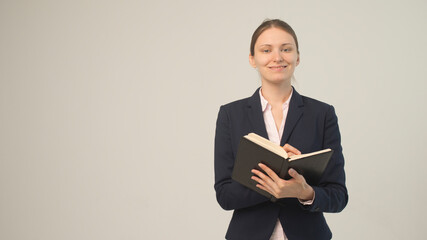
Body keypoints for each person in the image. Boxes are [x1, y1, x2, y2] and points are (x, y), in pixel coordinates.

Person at [214, 19, 348, 240]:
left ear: (297, 57)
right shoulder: (230, 115)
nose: (277, 57)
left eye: (286, 49)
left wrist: (304, 193)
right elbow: (225, 195)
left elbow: (338, 195)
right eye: (266, 50)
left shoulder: (322, 114)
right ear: (252, 59)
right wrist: (273, 185)